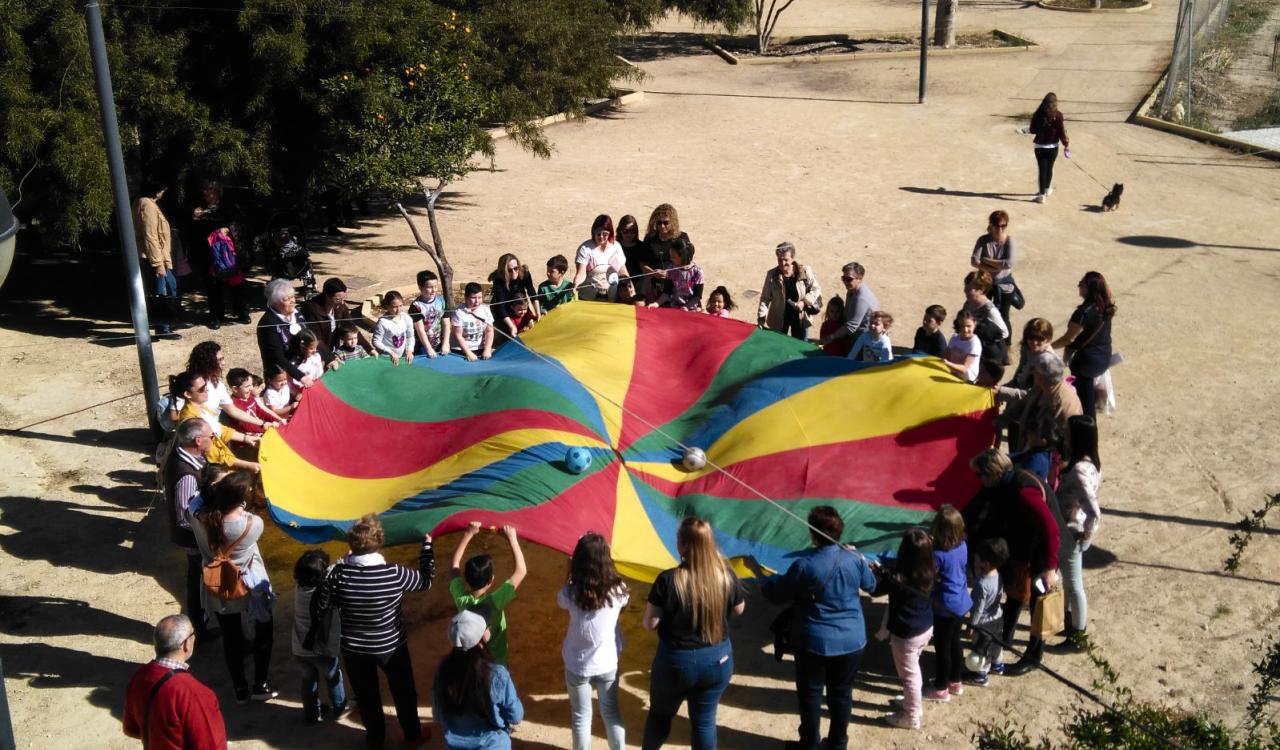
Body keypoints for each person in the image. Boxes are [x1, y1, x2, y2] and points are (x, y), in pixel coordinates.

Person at [746, 506, 876, 750]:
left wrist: (757, 571)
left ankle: (809, 744)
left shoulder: (805, 565)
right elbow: (871, 585)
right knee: (842, 693)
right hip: (851, 641)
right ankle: (838, 744)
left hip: (813, 642)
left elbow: (775, 594)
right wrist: (857, 558)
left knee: (811, 694)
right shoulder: (855, 560)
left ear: (814, 534)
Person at [310, 514, 435, 748]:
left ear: (351, 546)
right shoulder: (394, 573)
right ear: (380, 542)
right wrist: (427, 546)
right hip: (391, 644)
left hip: (354, 648)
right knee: (403, 690)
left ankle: (375, 739)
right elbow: (426, 581)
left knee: (366, 696)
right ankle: (412, 734)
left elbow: (321, 605)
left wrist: (337, 566)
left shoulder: (338, 575)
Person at [642, 516, 745, 750]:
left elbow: (650, 623)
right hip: (718, 660)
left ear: (685, 545)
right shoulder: (724, 576)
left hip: (676, 664)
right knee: (704, 723)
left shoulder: (668, 580)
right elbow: (739, 609)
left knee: (659, 718)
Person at [962, 449, 1061, 677]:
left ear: (993, 473)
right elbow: (975, 507)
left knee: (1039, 603)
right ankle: (1003, 639)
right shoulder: (1000, 483)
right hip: (1024, 545)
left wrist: (1049, 567)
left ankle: (1034, 656)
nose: (979, 480)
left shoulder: (1024, 491)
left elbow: (1051, 528)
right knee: (1015, 593)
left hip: (1042, 551)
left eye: (980, 475)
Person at [189, 470, 277, 704]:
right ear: (239, 498)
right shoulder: (251, 524)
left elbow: (197, 499)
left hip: (217, 581)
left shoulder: (197, 515)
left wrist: (214, 489)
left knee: (231, 636)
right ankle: (261, 683)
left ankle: (240, 687)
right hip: (248, 581)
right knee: (264, 628)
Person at [558, 532, 629, 750]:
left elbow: (561, 600)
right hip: (607, 662)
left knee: (581, 717)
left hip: (577, 664)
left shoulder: (570, 593)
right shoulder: (619, 591)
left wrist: (569, 573)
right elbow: (623, 602)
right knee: (611, 713)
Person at [123, 614, 228, 749]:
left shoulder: (138, 677)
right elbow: (212, 745)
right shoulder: (195, 694)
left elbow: (131, 728)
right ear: (185, 644)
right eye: (192, 634)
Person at [870, 529, 936, 730]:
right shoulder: (931, 569)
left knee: (909, 677)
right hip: (925, 627)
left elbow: (874, 589)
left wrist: (875, 573)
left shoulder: (899, 578)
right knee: (913, 669)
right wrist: (883, 572)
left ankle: (911, 716)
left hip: (906, 634)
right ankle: (911, 702)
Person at [433, 610, 524, 749]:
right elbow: (515, 716)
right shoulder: (497, 675)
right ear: (482, 638)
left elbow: (438, 715)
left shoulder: (442, 672)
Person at [1052, 415, 1102, 652]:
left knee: (1074, 584)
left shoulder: (1080, 470)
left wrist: (1086, 536)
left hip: (1072, 530)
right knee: (1070, 582)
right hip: (1070, 526)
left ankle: (1078, 636)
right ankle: (1071, 624)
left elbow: (1094, 511)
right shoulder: (1089, 463)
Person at [164, 419, 215, 640]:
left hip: (195, 536)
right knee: (198, 584)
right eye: (210, 437)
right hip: (194, 539)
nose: (213, 440)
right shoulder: (186, 474)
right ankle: (199, 629)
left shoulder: (185, 458)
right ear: (198, 440)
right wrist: (209, 529)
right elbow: (184, 516)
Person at [995, 351, 1082, 480]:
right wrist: (1000, 420)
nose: (1032, 373)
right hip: (1031, 449)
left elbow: (1067, 443)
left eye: (1034, 371)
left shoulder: (1064, 404)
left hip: (1046, 463)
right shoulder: (1041, 387)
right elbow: (1022, 405)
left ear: (1042, 376)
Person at [450, 522, 528, 666]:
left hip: (474, 663)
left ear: (466, 578)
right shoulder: (495, 602)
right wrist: (512, 538)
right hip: (497, 662)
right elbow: (521, 571)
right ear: (491, 581)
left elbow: (455, 563)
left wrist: (469, 534)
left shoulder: (461, 599)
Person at [1051, 270, 1116, 418]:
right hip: (1103, 356)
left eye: (1081, 284)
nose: (1078, 286)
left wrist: (1049, 346)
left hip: (1086, 364)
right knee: (1088, 398)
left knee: (1086, 406)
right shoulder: (1105, 306)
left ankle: (1088, 436)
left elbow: (1069, 339)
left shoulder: (1083, 313)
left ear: (1089, 288)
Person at [292, 549, 346, 724]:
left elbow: (326, 575)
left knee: (308, 681)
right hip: (320, 648)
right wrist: (342, 563)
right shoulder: (323, 593)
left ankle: (311, 714)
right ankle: (339, 707)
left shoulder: (299, 589)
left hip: (299, 649)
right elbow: (330, 580)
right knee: (333, 677)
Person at [925, 506, 971, 702]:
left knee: (942, 647)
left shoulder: (938, 555)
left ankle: (941, 687)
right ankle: (955, 680)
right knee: (955, 642)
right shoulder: (963, 546)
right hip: (960, 602)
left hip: (945, 605)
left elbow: (931, 576)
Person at [174, 371, 260, 472]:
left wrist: (246, 438)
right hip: (210, 469)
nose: (207, 390)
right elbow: (211, 453)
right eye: (201, 389)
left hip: (221, 461)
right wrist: (246, 465)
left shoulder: (200, 407)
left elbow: (219, 430)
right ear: (188, 394)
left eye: (205, 386)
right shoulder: (192, 418)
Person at [257, 279, 334, 388]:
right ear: (275, 303)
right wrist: (300, 376)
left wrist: (329, 358)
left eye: (292, 297)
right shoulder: (268, 323)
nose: (292, 301)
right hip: (284, 376)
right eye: (287, 299)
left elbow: (311, 339)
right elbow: (276, 356)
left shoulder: (297, 314)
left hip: (304, 368)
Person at [187, 341, 271, 434]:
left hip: (215, 433)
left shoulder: (218, 385)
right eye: (219, 360)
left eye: (222, 359)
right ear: (207, 363)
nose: (223, 363)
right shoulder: (190, 387)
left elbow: (232, 410)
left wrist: (262, 423)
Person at [134, 182, 180, 337]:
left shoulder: (148, 204)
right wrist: (158, 264)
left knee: (170, 286)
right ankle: (163, 327)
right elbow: (151, 235)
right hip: (154, 256)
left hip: (158, 256)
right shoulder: (148, 206)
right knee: (162, 292)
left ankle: (168, 323)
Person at [962, 537, 1009, 687]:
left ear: (985, 563)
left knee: (981, 649)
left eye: (978, 558)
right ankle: (998, 666)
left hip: (982, 623)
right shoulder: (999, 575)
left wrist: (971, 625)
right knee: (995, 645)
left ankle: (981, 676)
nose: (976, 560)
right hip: (997, 617)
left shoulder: (981, 584)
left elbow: (978, 608)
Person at [757, 242, 822, 341]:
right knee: (778, 346)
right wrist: (761, 318)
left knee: (800, 347)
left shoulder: (804, 271)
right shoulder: (771, 275)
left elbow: (816, 289)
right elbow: (765, 298)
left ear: (793, 258)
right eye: (780, 260)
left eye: (786, 260)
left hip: (799, 317)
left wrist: (804, 302)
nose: (782, 264)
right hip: (779, 318)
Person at [970, 211, 1018, 339]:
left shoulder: (1010, 240)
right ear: (991, 225)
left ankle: (1006, 346)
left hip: (1004, 285)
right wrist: (995, 267)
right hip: (985, 284)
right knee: (979, 312)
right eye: (997, 226)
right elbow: (974, 261)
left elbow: (1008, 263)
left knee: (1004, 316)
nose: (1000, 229)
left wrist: (986, 261)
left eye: (1003, 226)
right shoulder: (983, 240)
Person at [962, 270, 1009, 385]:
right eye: (966, 287)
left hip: (986, 355)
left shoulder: (990, 310)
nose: (966, 290)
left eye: (970, 288)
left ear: (981, 290)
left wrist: (983, 331)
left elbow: (1004, 332)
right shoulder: (968, 303)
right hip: (971, 348)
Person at [818, 262, 879, 351]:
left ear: (860, 279)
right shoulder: (852, 290)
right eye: (844, 278)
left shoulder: (861, 298)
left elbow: (851, 326)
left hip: (862, 341)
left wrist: (831, 337)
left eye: (849, 279)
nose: (845, 282)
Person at [637, 204, 691, 302]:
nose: (662, 226)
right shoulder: (650, 238)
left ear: (673, 222)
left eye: (666, 223)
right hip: (654, 284)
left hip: (677, 285)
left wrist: (670, 273)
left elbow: (687, 264)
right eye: (659, 223)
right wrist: (653, 273)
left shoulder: (682, 238)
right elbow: (643, 264)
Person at [304, 277, 371, 355]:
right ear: (327, 296)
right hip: (318, 352)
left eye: (344, 298)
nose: (342, 302)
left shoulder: (340, 306)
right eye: (338, 299)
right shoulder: (312, 309)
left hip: (334, 348)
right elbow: (316, 338)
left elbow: (351, 327)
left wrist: (369, 349)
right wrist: (329, 358)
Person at [1027, 92, 1069, 203]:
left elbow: (1032, 130)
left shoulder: (1038, 114)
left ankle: (1041, 195)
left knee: (1042, 170)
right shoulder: (1059, 115)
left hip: (1040, 147)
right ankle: (1047, 190)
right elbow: (1061, 132)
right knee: (1049, 168)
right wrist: (1065, 143)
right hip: (1053, 147)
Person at [573, 215, 626, 301]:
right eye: (598, 234)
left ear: (610, 233)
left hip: (612, 298)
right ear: (593, 232)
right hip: (588, 298)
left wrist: (629, 285)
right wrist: (576, 283)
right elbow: (581, 273)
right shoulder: (585, 248)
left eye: (605, 234)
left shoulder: (616, 247)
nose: (601, 237)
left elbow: (623, 271)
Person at [226, 368, 283, 435]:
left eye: (251, 385)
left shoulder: (250, 397)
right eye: (247, 386)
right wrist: (266, 429)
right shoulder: (234, 406)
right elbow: (246, 426)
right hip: (248, 439)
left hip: (260, 430)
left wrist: (276, 420)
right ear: (235, 389)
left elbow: (260, 412)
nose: (251, 388)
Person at [490, 253, 541, 325]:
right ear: (504, 271)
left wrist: (538, 312)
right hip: (503, 310)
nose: (513, 272)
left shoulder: (524, 273)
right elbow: (500, 305)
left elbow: (532, 292)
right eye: (509, 270)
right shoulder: (498, 279)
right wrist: (511, 326)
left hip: (520, 305)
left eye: (516, 268)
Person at [411, 270, 451, 357]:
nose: (434, 290)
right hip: (423, 346)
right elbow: (420, 330)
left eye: (436, 286)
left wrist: (446, 343)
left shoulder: (441, 301)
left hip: (440, 344)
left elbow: (446, 324)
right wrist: (428, 348)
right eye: (430, 287)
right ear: (420, 288)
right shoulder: (416, 306)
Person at [657, 238, 704, 311]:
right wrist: (656, 303)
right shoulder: (671, 269)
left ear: (683, 257)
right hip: (675, 307)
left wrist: (686, 307)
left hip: (691, 308)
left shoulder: (697, 272)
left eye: (673, 257)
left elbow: (697, 296)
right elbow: (667, 292)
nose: (670, 259)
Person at [452, 282, 495, 361]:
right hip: (461, 351)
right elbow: (458, 335)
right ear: (466, 298)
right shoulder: (459, 312)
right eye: (473, 298)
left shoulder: (486, 310)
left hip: (480, 349)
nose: (477, 301)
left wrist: (487, 349)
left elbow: (489, 331)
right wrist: (468, 353)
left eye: (479, 297)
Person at [944, 310, 982, 384]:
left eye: (968, 326)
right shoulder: (954, 338)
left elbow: (964, 369)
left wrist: (947, 363)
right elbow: (947, 356)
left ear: (975, 323)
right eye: (962, 326)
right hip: (952, 375)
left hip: (967, 381)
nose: (965, 330)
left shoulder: (974, 343)